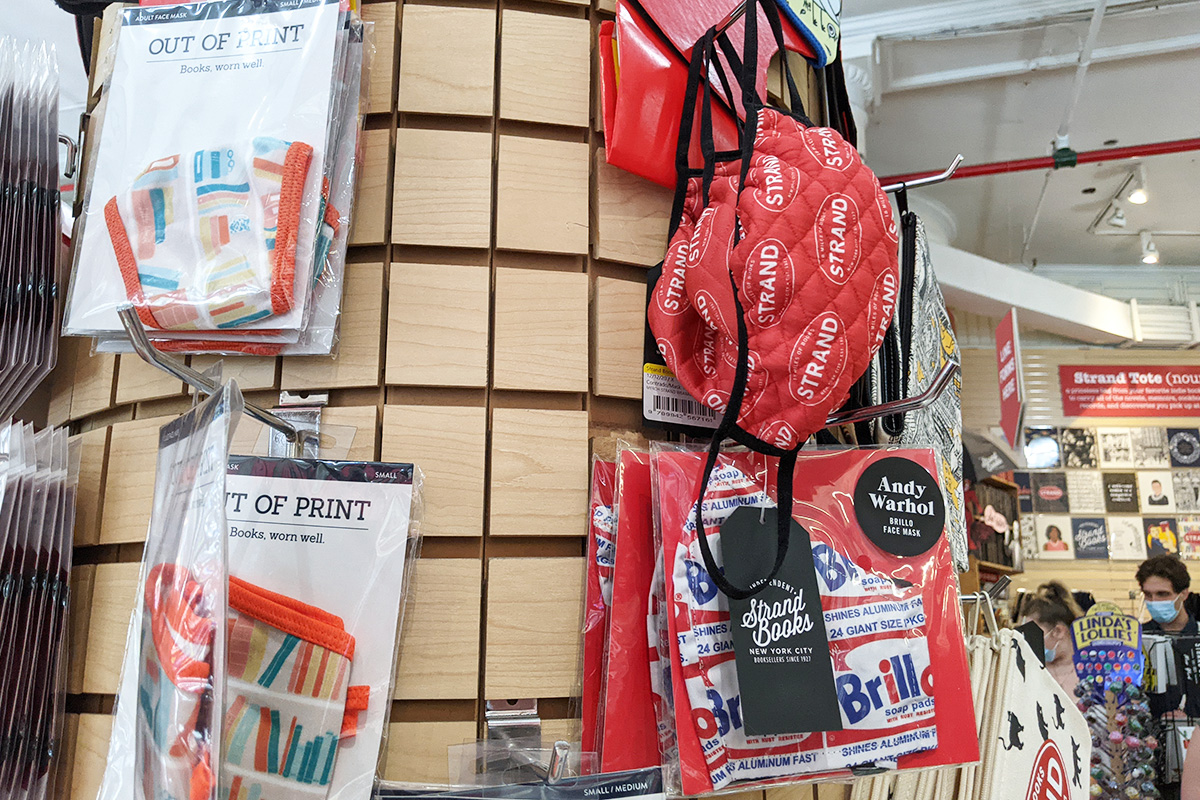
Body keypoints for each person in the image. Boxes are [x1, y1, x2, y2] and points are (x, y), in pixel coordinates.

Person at [1020, 581, 1081, 696]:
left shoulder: (1089, 672)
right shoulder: (1030, 670)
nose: (1028, 641)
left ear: (1058, 631)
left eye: (1034, 634)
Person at [1138, 555, 1195, 635]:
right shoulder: (1137, 637)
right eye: (1148, 594)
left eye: (1162, 594)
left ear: (1183, 594)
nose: (1154, 601)